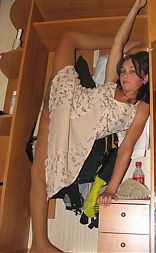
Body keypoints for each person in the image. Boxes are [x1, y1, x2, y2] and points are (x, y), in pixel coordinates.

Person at [29, 0, 148, 252]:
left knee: (38, 177)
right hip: (65, 96)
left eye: (132, 71)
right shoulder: (112, 81)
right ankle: (40, 244)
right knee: (66, 38)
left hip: (66, 128)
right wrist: (134, 9)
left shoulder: (139, 110)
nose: (125, 75)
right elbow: (115, 42)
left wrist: (112, 189)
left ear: (145, 78)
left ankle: (39, 243)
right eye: (124, 69)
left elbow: (126, 148)